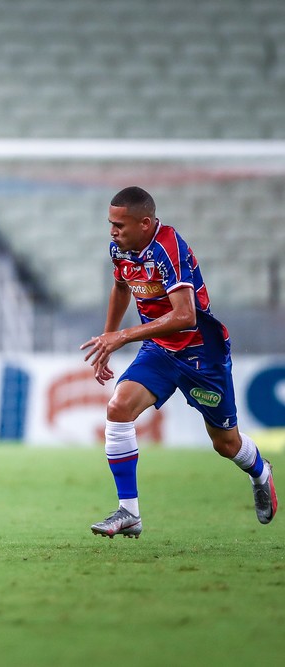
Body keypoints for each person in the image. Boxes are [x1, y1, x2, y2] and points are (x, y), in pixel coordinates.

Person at [80, 186, 275, 538]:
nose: (112, 232)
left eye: (119, 225)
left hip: (201, 353)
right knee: (119, 407)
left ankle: (261, 472)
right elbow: (122, 287)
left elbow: (186, 316)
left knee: (225, 443)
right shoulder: (121, 248)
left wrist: (122, 336)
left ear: (145, 223)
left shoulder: (168, 249)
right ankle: (130, 513)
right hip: (159, 349)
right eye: (110, 224)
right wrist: (108, 339)